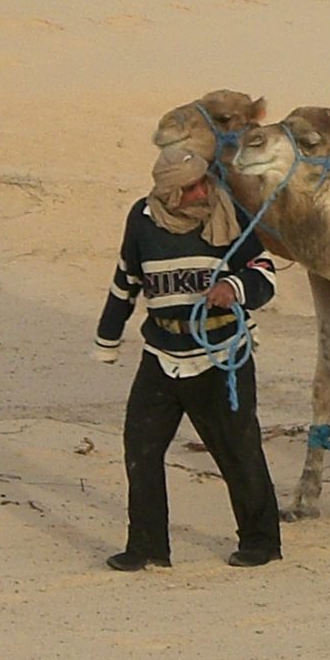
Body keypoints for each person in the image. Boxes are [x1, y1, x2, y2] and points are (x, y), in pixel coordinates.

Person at [93, 145, 282, 568]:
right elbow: (126, 278)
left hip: (220, 355)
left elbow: (264, 273)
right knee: (140, 448)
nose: (203, 193)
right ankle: (146, 548)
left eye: (203, 182)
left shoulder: (228, 215)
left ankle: (260, 541)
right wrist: (108, 336)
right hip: (161, 354)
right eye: (192, 188)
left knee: (238, 449)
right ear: (170, 194)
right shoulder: (142, 219)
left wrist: (234, 289)